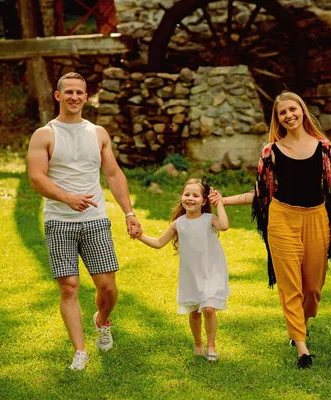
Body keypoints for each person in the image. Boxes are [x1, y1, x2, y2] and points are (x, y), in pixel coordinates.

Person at [209, 91, 331, 369]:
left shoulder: (325, 148)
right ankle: (302, 348)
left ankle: (302, 323)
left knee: (312, 288)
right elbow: (262, 193)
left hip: (317, 218)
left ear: (302, 110)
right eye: (282, 113)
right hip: (282, 219)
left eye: (292, 109)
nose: (289, 115)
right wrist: (223, 200)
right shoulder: (271, 151)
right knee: (290, 286)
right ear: (278, 120)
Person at [27, 72, 143, 370]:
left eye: (80, 92)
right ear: (58, 96)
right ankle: (80, 352)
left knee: (107, 287)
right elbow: (36, 178)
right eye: (69, 92)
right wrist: (67, 198)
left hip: (95, 220)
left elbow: (114, 175)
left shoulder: (98, 133)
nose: (75, 97)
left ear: (86, 96)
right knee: (69, 286)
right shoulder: (45, 134)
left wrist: (129, 213)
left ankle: (102, 321)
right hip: (59, 221)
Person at [134, 178, 230, 362]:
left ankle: (211, 345)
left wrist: (220, 204)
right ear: (181, 198)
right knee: (195, 311)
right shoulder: (179, 223)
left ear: (204, 201)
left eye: (196, 195)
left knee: (208, 308)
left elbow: (224, 226)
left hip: (211, 270)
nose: (190, 198)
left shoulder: (209, 219)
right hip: (191, 274)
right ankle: (198, 343)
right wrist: (140, 236)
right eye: (187, 194)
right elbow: (159, 243)